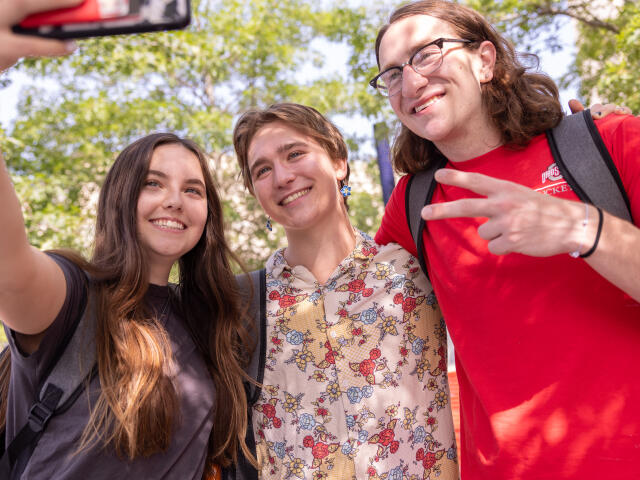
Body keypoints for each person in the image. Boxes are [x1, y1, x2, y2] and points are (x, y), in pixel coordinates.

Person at [370, 1, 640, 478]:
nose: (411, 83)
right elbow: (348, 301)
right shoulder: (413, 203)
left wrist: (582, 227)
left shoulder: (609, 142)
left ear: (485, 61)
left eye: (428, 53)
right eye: (391, 74)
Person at [0, 3, 252, 478]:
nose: (174, 200)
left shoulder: (209, 321)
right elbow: (6, 260)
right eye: (153, 184)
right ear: (121, 198)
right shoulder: (72, 296)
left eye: (192, 190)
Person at [233, 103, 458, 480]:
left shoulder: (414, 268)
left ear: (339, 162)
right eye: (263, 170)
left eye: (295, 154)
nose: (283, 176)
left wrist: (577, 142)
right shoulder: (241, 304)